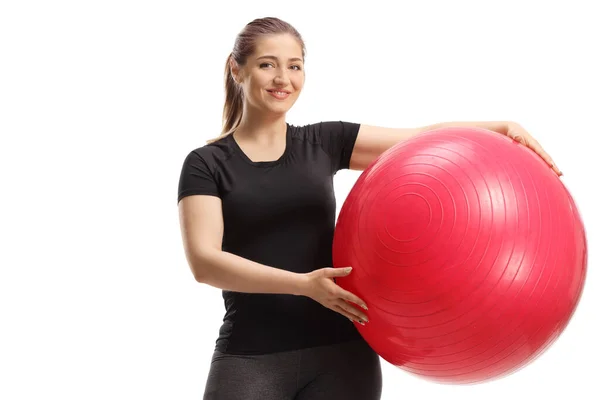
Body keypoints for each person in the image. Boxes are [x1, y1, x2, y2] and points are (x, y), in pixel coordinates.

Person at [177, 17, 561, 400]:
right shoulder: (207, 163)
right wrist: (304, 286)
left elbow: (419, 142)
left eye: (294, 66)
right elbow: (205, 263)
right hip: (252, 354)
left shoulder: (324, 141)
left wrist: (500, 127)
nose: (283, 79)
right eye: (267, 64)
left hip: (342, 355)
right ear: (236, 68)